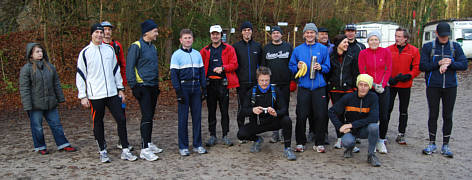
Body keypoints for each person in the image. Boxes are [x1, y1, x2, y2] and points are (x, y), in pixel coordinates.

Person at [76, 23, 137, 163]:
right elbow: (80, 75)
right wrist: (82, 95)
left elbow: (116, 71)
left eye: (101, 32)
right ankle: (102, 150)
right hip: (95, 94)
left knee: (121, 119)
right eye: (96, 32)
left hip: (111, 92)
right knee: (98, 122)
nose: (99, 35)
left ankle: (125, 149)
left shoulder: (109, 50)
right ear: (91, 34)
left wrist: (120, 89)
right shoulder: (85, 53)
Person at [419, 22, 468, 158]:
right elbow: (423, 66)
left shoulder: (455, 47)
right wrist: (438, 63)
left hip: (451, 86)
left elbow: (464, 64)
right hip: (433, 86)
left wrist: (450, 63)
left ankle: (445, 144)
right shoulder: (428, 47)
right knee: (433, 114)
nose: (444, 39)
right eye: (442, 36)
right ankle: (432, 142)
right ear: (436, 34)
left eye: (446, 36)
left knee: (448, 115)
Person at [19, 43, 77, 155]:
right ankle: (40, 146)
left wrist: (60, 98)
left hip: (51, 103)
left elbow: (56, 84)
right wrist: (28, 105)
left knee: (56, 125)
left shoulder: (50, 67)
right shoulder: (26, 69)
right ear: (31, 55)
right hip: (35, 105)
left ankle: (63, 144)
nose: (40, 53)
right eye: (37, 51)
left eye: (41, 51)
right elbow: (24, 88)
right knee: (37, 127)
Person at [237, 66, 296, 161]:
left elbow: (284, 109)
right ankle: (257, 140)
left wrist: (276, 113)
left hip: (273, 121)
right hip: (258, 123)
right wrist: (252, 110)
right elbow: (242, 111)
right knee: (241, 134)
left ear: (270, 79)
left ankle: (287, 148)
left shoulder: (275, 90)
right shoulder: (251, 92)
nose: (264, 83)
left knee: (287, 120)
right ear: (257, 80)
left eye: (267, 80)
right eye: (262, 80)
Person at [289, 23, 330, 153]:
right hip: (304, 87)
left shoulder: (323, 49)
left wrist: (321, 67)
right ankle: (300, 142)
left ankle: (319, 142)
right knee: (301, 115)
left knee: (321, 115)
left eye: (312, 32)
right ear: (304, 34)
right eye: (307, 32)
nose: (309, 35)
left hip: (319, 87)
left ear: (316, 34)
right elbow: (291, 66)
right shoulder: (298, 50)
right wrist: (297, 67)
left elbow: (328, 67)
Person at [126, 19, 163, 161]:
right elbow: (130, 67)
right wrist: (134, 86)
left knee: (151, 115)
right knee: (146, 115)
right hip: (142, 87)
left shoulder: (153, 47)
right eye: (155, 31)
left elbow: (153, 67)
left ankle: (148, 142)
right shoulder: (136, 46)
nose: (157, 34)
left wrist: (157, 85)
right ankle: (144, 149)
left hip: (153, 86)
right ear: (147, 32)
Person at [328, 74, 381, 167]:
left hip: (364, 129)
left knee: (374, 127)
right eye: (361, 84)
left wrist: (351, 125)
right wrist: (340, 126)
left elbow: (374, 118)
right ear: (357, 85)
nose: (363, 88)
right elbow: (331, 111)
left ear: (369, 87)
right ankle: (349, 148)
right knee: (347, 142)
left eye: (366, 85)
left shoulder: (373, 97)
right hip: (351, 131)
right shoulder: (349, 97)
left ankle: (371, 155)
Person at [200, 24, 239, 147]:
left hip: (223, 83)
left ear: (221, 35)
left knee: (224, 111)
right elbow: (200, 66)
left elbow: (235, 64)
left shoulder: (228, 48)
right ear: (210, 35)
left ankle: (225, 135)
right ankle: (212, 135)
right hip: (209, 84)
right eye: (213, 34)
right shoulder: (205, 50)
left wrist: (223, 68)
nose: (215, 36)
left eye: (217, 33)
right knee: (211, 111)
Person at [170, 29, 207, 156]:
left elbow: (202, 72)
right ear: (181, 40)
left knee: (197, 118)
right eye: (185, 38)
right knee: (183, 119)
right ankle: (183, 146)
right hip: (184, 88)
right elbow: (174, 75)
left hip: (196, 88)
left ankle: (197, 144)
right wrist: (178, 92)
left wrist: (204, 88)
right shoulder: (176, 55)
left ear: (193, 39)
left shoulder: (197, 54)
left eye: (189, 38)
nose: (187, 40)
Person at [358, 31, 392, 154]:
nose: (374, 42)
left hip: (383, 88)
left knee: (384, 115)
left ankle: (381, 140)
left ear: (379, 41)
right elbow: (362, 70)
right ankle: (371, 139)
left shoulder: (386, 52)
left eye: (376, 39)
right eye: (371, 40)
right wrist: (371, 85)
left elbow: (388, 69)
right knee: (371, 116)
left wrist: (382, 85)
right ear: (368, 41)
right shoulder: (363, 53)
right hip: (369, 88)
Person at [100, 20, 131, 150]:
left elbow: (122, 66)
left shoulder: (117, 46)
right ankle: (101, 143)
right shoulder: (95, 47)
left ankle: (122, 141)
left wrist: (122, 86)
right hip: (100, 89)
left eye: (109, 30)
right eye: (104, 30)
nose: (107, 32)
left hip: (116, 87)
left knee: (121, 115)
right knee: (98, 118)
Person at [386, 27, 420, 145]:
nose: (397, 38)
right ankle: (383, 132)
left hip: (405, 84)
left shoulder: (414, 51)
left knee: (403, 110)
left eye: (399, 36)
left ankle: (401, 133)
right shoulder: (389, 49)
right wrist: (388, 78)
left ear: (406, 38)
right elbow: (384, 65)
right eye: (396, 36)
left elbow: (417, 67)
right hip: (392, 84)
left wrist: (409, 76)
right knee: (387, 108)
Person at [327, 34, 360, 151]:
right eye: (344, 42)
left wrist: (355, 87)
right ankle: (340, 139)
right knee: (338, 114)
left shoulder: (351, 56)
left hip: (349, 90)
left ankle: (351, 140)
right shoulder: (331, 57)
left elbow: (356, 73)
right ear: (338, 44)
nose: (346, 44)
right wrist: (330, 85)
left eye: (347, 42)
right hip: (335, 90)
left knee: (350, 115)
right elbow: (328, 73)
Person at [261, 26, 293, 143]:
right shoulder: (267, 48)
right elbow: (263, 66)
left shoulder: (288, 47)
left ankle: (285, 132)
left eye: (277, 33)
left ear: (281, 35)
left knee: (284, 108)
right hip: (271, 84)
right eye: (273, 33)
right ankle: (275, 133)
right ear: (271, 35)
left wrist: (293, 80)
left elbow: (293, 64)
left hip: (285, 83)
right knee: (272, 108)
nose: (275, 35)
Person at [233, 21, 262, 143]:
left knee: (254, 108)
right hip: (242, 83)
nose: (247, 32)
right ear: (241, 32)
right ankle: (241, 132)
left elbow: (261, 65)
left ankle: (252, 131)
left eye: (249, 30)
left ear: (252, 31)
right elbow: (234, 64)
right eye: (244, 30)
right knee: (242, 108)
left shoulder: (257, 46)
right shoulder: (236, 46)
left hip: (254, 83)